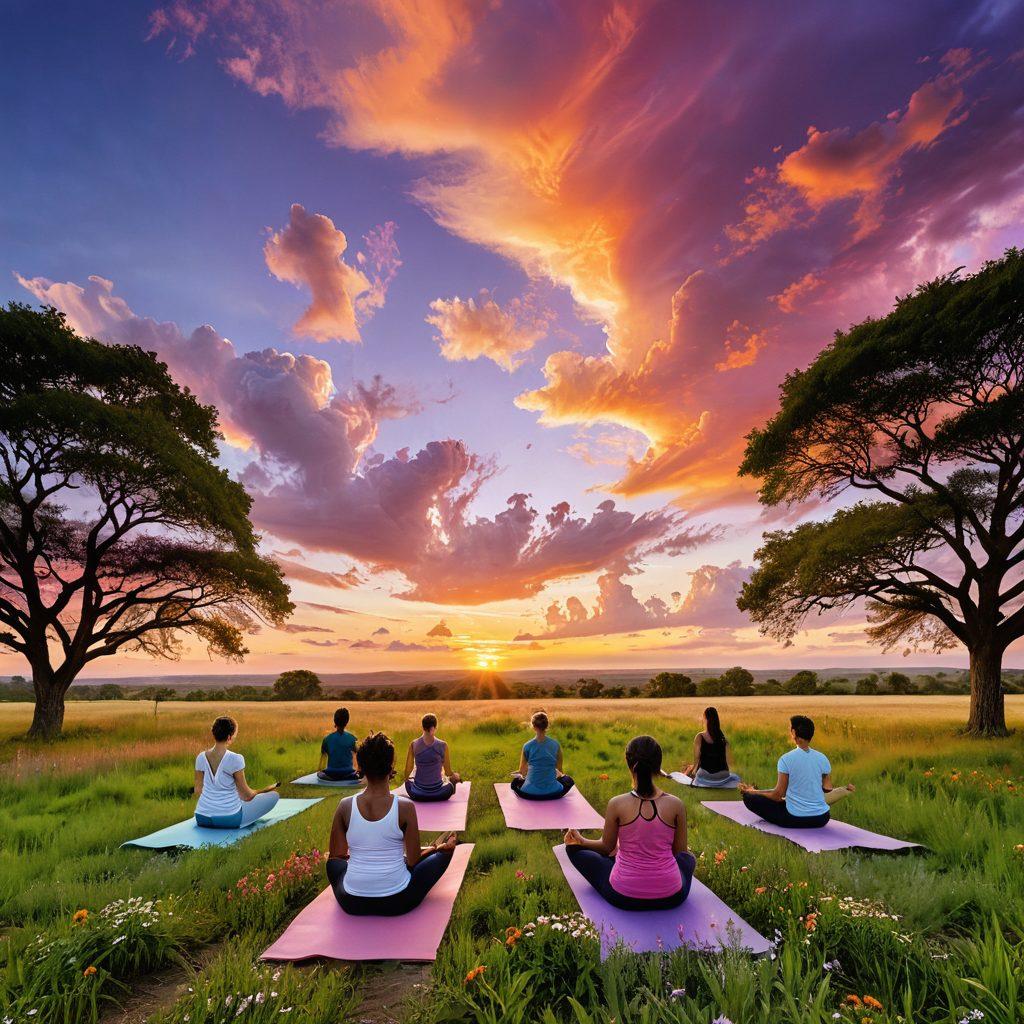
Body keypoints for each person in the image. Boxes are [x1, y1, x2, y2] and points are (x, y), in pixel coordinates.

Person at [326, 731, 458, 915]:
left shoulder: (345, 806)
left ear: (361, 767)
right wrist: (437, 850)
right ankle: (446, 851)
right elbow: (412, 861)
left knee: (332, 865)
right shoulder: (405, 807)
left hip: (351, 901)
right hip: (398, 900)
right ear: (391, 767)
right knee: (445, 853)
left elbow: (337, 856)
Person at [564, 735, 696, 910]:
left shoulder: (617, 803)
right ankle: (620, 859)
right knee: (688, 859)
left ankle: (617, 859)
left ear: (629, 764)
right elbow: (680, 853)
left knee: (573, 849)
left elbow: (605, 847)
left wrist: (581, 840)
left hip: (624, 896)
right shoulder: (676, 804)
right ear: (658, 766)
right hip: (671, 896)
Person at [739, 715, 855, 828]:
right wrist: (843, 790)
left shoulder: (786, 759)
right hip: (821, 818)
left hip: (794, 818)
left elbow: (778, 795)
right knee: (779, 800)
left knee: (749, 798)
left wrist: (752, 792)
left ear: (794, 733)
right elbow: (828, 789)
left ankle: (750, 795)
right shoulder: (822, 758)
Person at [193, 716, 280, 829]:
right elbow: (247, 796)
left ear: (214, 733)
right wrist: (258, 791)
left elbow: (197, 791)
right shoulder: (235, 759)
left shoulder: (200, 757)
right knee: (274, 796)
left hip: (202, 817)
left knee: (237, 800)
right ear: (229, 737)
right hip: (228, 819)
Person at [510, 710, 575, 800]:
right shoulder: (556, 744)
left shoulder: (527, 746)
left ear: (533, 726)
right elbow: (560, 770)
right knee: (568, 780)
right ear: (547, 725)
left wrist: (521, 775)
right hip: (553, 792)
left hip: (529, 792)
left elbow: (522, 771)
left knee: (515, 783)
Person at [675, 707, 741, 787]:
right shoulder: (724, 739)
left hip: (707, 776)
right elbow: (729, 762)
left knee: (692, 769)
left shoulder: (700, 736)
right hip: (724, 776)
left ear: (705, 719)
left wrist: (691, 771)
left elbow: (697, 760)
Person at [404, 713, 462, 801]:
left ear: (423, 727)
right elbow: (448, 772)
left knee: (408, 783)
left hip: (418, 794)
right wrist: (455, 776)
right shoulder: (443, 745)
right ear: (433, 728)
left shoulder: (414, 744)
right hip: (440, 793)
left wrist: (409, 780)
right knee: (450, 785)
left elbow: (407, 771)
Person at [318, 707, 359, 782]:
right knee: (357, 775)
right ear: (347, 721)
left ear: (334, 721)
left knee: (320, 774)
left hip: (331, 774)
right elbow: (358, 755)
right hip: (348, 773)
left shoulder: (327, 739)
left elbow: (323, 759)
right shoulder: (352, 738)